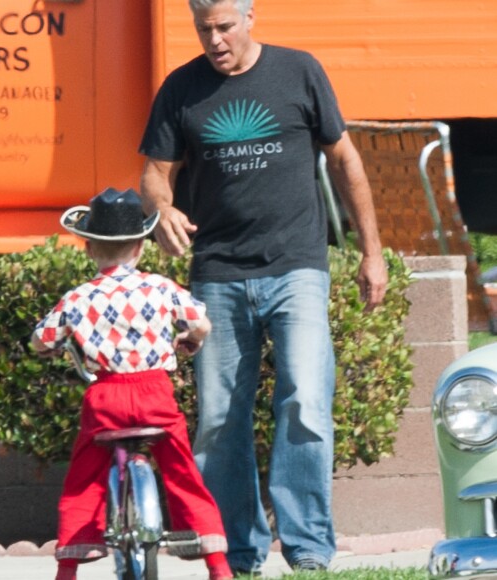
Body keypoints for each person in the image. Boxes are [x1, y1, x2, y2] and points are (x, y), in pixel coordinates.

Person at [138, 0, 388, 575]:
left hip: (297, 264)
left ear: (250, 18)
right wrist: (163, 210)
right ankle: (241, 554)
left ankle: (308, 551)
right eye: (205, 29)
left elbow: (346, 161)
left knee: (304, 397)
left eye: (225, 26)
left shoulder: (299, 71)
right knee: (221, 417)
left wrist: (371, 253)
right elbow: (155, 173)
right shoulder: (181, 88)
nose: (216, 39)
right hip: (218, 272)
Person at [31, 188, 234, 580]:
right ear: (140, 247)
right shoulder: (160, 287)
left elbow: (41, 339)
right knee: (181, 471)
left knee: (84, 477)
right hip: (155, 392)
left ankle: (68, 568)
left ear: (90, 249)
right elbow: (201, 323)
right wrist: (190, 338)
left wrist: (52, 346)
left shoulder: (78, 297)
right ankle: (217, 564)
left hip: (105, 396)